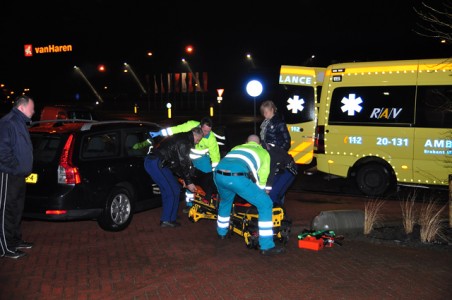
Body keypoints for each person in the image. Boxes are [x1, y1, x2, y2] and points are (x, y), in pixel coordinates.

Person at [214, 134, 285, 255]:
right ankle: (266, 246)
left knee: (225, 201)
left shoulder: (236, 148)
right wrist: (261, 192)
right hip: (237, 177)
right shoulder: (263, 152)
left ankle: (221, 232)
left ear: (246, 142)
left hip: (218, 174)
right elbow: (262, 177)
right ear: (259, 144)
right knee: (266, 204)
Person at [149, 117, 221, 212]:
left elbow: (215, 157)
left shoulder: (211, 138)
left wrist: (216, 172)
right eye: (204, 131)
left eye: (209, 131)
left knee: (207, 179)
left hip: (202, 159)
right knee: (188, 178)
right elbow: (176, 129)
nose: (206, 133)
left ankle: (206, 202)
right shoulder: (191, 125)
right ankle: (189, 204)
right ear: (199, 126)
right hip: (187, 156)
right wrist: (161, 133)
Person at [144, 127, 203, 227]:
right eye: (198, 140)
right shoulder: (184, 142)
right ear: (195, 135)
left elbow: (176, 163)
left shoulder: (183, 138)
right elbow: (183, 163)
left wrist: (185, 179)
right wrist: (189, 182)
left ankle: (171, 215)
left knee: (175, 189)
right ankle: (166, 220)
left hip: (159, 163)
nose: (197, 142)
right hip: (156, 162)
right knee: (170, 191)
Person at [0, 95, 35, 259]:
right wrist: (14, 167)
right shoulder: (8, 122)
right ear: (22, 107)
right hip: (9, 175)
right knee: (6, 211)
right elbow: (2, 150)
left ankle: (15, 240)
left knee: (17, 209)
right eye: (31, 108)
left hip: (20, 175)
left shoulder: (20, 122)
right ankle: (5, 247)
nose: (34, 111)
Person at [259, 100, 296, 205]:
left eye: (266, 112)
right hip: (268, 156)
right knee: (271, 183)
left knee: (276, 186)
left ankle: (278, 208)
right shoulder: (265, 124)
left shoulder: (279, 123)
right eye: (263, 112)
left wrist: (278, 152)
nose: (265, 114)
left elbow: (287, 141)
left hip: (277, 158)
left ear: (272, 110)